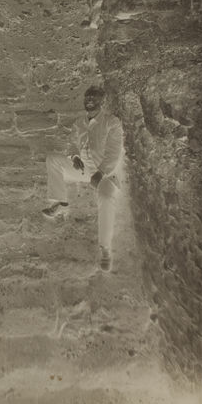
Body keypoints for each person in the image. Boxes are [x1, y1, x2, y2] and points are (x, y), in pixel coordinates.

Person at [42, 85, 124, 271]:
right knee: (53, 159)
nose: (89, 100)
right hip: (84, 169)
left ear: (102, 101)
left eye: (94, 97)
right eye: (87, 97)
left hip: (105, 174)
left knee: (105, 195)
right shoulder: (79, 122)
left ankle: (105, 249)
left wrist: (101, 173)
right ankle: (62, 204)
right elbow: (72, 142)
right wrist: (74, 156)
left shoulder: (112, 122)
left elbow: (113, 152)